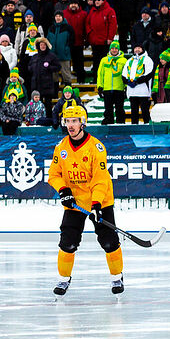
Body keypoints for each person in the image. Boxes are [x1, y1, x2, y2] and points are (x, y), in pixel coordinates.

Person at [50, 102, 122, 296]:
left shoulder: (96, 147)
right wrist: (63, 190)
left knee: (109, 241)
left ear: (83, 123)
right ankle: (63, 279)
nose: (70, 125)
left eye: (74, 121)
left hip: (100, 201)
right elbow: (54, 174)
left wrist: (97, 204)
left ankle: (117, 277)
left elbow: (100, 179)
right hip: (75, 202)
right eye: (67, 121)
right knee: (68, 242)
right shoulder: (61, 147)